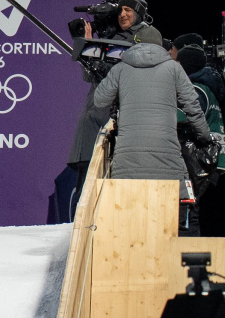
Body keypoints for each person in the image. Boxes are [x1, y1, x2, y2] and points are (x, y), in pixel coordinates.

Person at [90, 27, 210, 232]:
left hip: (127, 162)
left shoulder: (121, 68)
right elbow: (193, 107)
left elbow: (99, 99)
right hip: (168, 162)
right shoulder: (173, 68)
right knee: (170, 226)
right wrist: (204, 136)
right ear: (160, 46)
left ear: (135, 44)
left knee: (131, 228)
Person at [66, 0, 151, 214]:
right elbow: (89, 76)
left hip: (123, 124)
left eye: (128, 10)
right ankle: (76, 235)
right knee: (86, 184)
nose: (122, 15)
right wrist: (87, 45)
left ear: (139, 13)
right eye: (120, 10)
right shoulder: (112, 36)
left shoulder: (148, 38)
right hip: (95, 116)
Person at [174, 44, 225, 234]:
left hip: (195, 164)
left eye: (178, 63)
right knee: (191, 211)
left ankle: (186, 256)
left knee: (187, 214)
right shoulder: (208, 88)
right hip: (209, 163)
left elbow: (181, 119)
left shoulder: (195, 89)